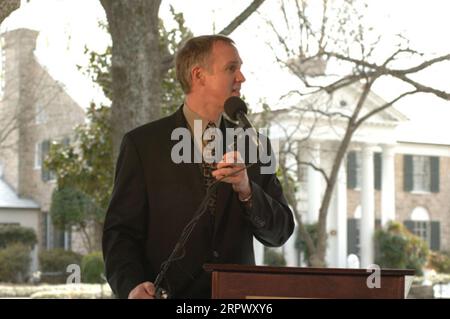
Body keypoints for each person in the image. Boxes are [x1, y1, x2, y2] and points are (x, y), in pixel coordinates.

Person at [102, 34, 294, 299]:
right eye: (231, 68)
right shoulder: (142, 145)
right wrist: (131, 286)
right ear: (199, 75)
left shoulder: (255, 145)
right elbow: (120, 233)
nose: (241, 77)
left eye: (240, 68)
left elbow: (281, 231)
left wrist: (247, 190)